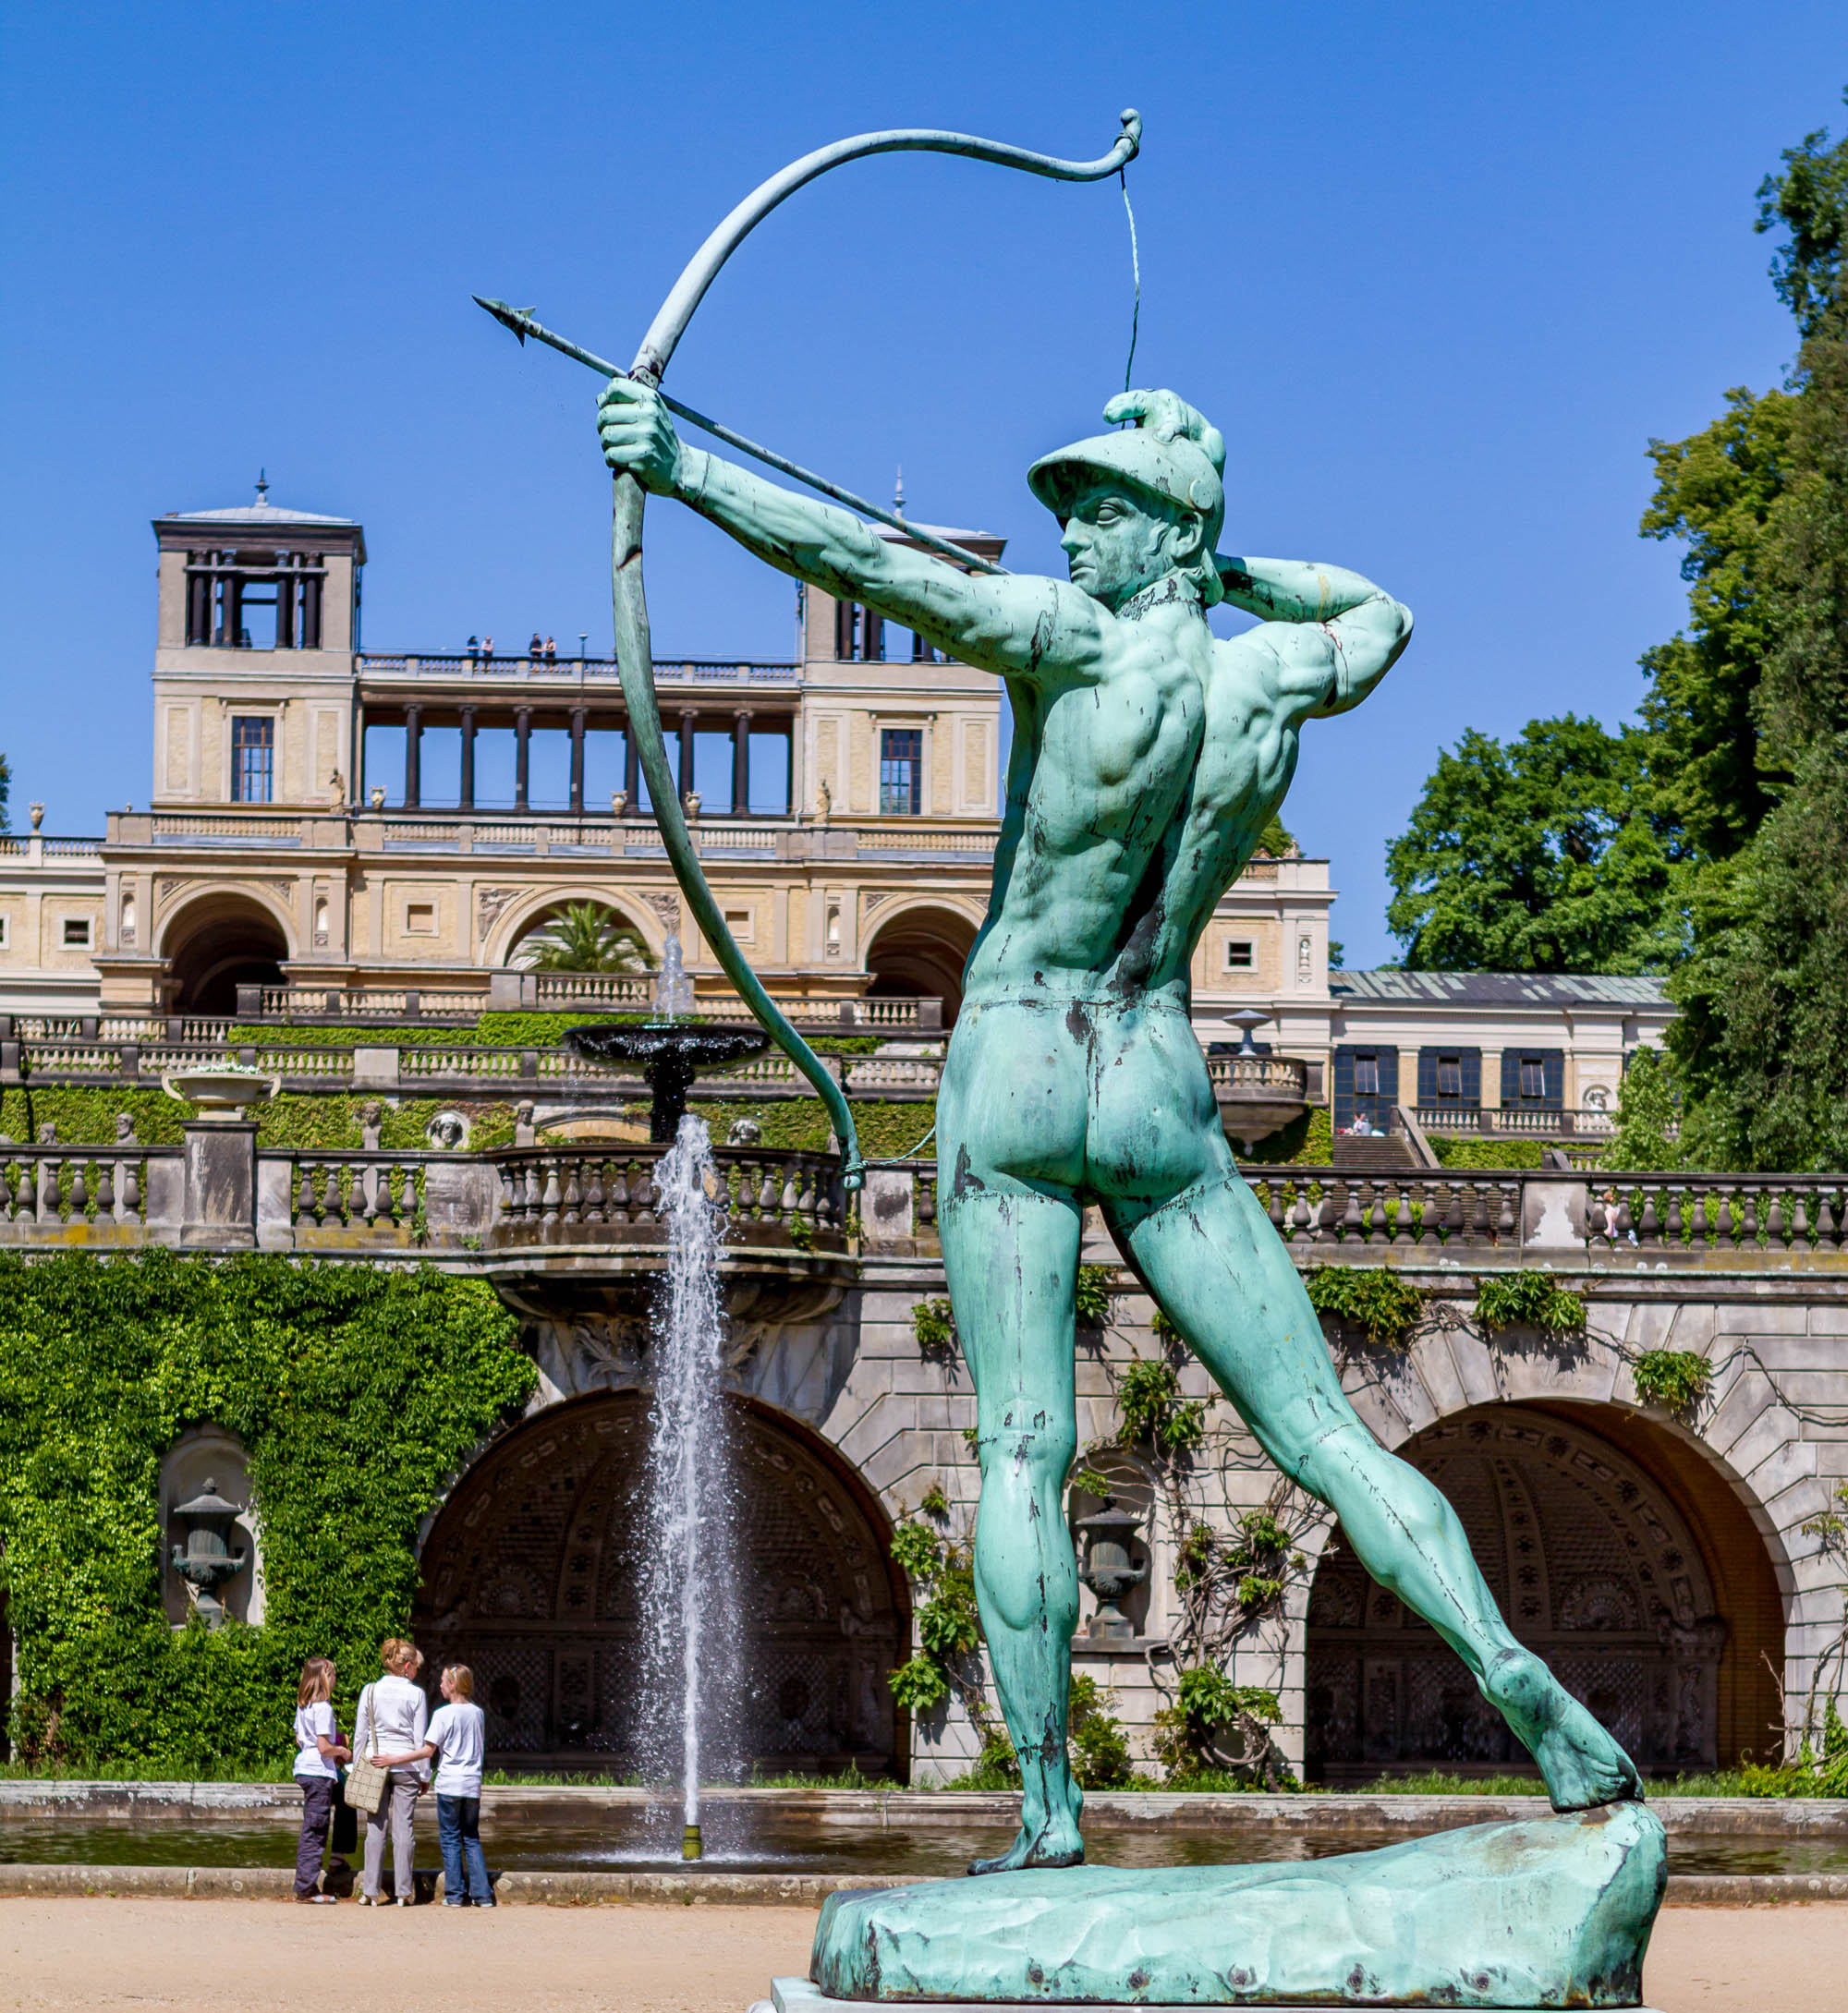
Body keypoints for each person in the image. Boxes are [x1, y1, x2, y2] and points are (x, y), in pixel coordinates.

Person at [596, 371, 1643, 1874]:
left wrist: (679, 464)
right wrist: (1229, 572)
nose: (1074, 533)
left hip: (1023, 1053)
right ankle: (1514, 1676)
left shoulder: (1066, 643)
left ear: (1170, 531)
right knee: (1325, 1432)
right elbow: (1381, 614)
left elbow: (860, 562)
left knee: (1023, 1448)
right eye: (1070, 511)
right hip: (1153, 1068)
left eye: (1106, 509)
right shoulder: (1268, 677)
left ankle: (1046, 1810)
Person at [398, 1664, 492, 1907]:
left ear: (452, 1685)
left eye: (442, 1681)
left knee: (450, 1838)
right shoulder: (478, 1713)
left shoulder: (443, 1714)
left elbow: (428, 1750)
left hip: (450, 1784)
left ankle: (455, 1894)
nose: (439, 1685)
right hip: (472, 1784)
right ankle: (482, 1895)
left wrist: (395, 1759)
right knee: (471, 1838)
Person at [354, 1638, 427, 1907]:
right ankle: (403, 1892)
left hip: (375, 1763)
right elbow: (420, 1739)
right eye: (416, 1666)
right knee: (403, 1829)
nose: (417, 1671)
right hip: (406, 1765)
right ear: (407, 1666)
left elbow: (360, 1733)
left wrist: (355, 1766)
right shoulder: (416, 1694)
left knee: (375, 1829)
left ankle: (370, 1891)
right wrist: (425, 1774)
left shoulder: (370, 1690)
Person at [290, 1656, 348, 1904]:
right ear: (325, 1676)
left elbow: (300, 1741)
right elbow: (324, 1747)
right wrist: (343, 1752)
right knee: (315, 1831)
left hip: (305, 1767)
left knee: (314, 1827)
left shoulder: (303, 1706)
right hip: (318, 1772)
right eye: (333, 1675)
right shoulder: (323, 1708)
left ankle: (309, 1882)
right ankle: (307, 1888)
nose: (335, 1680)